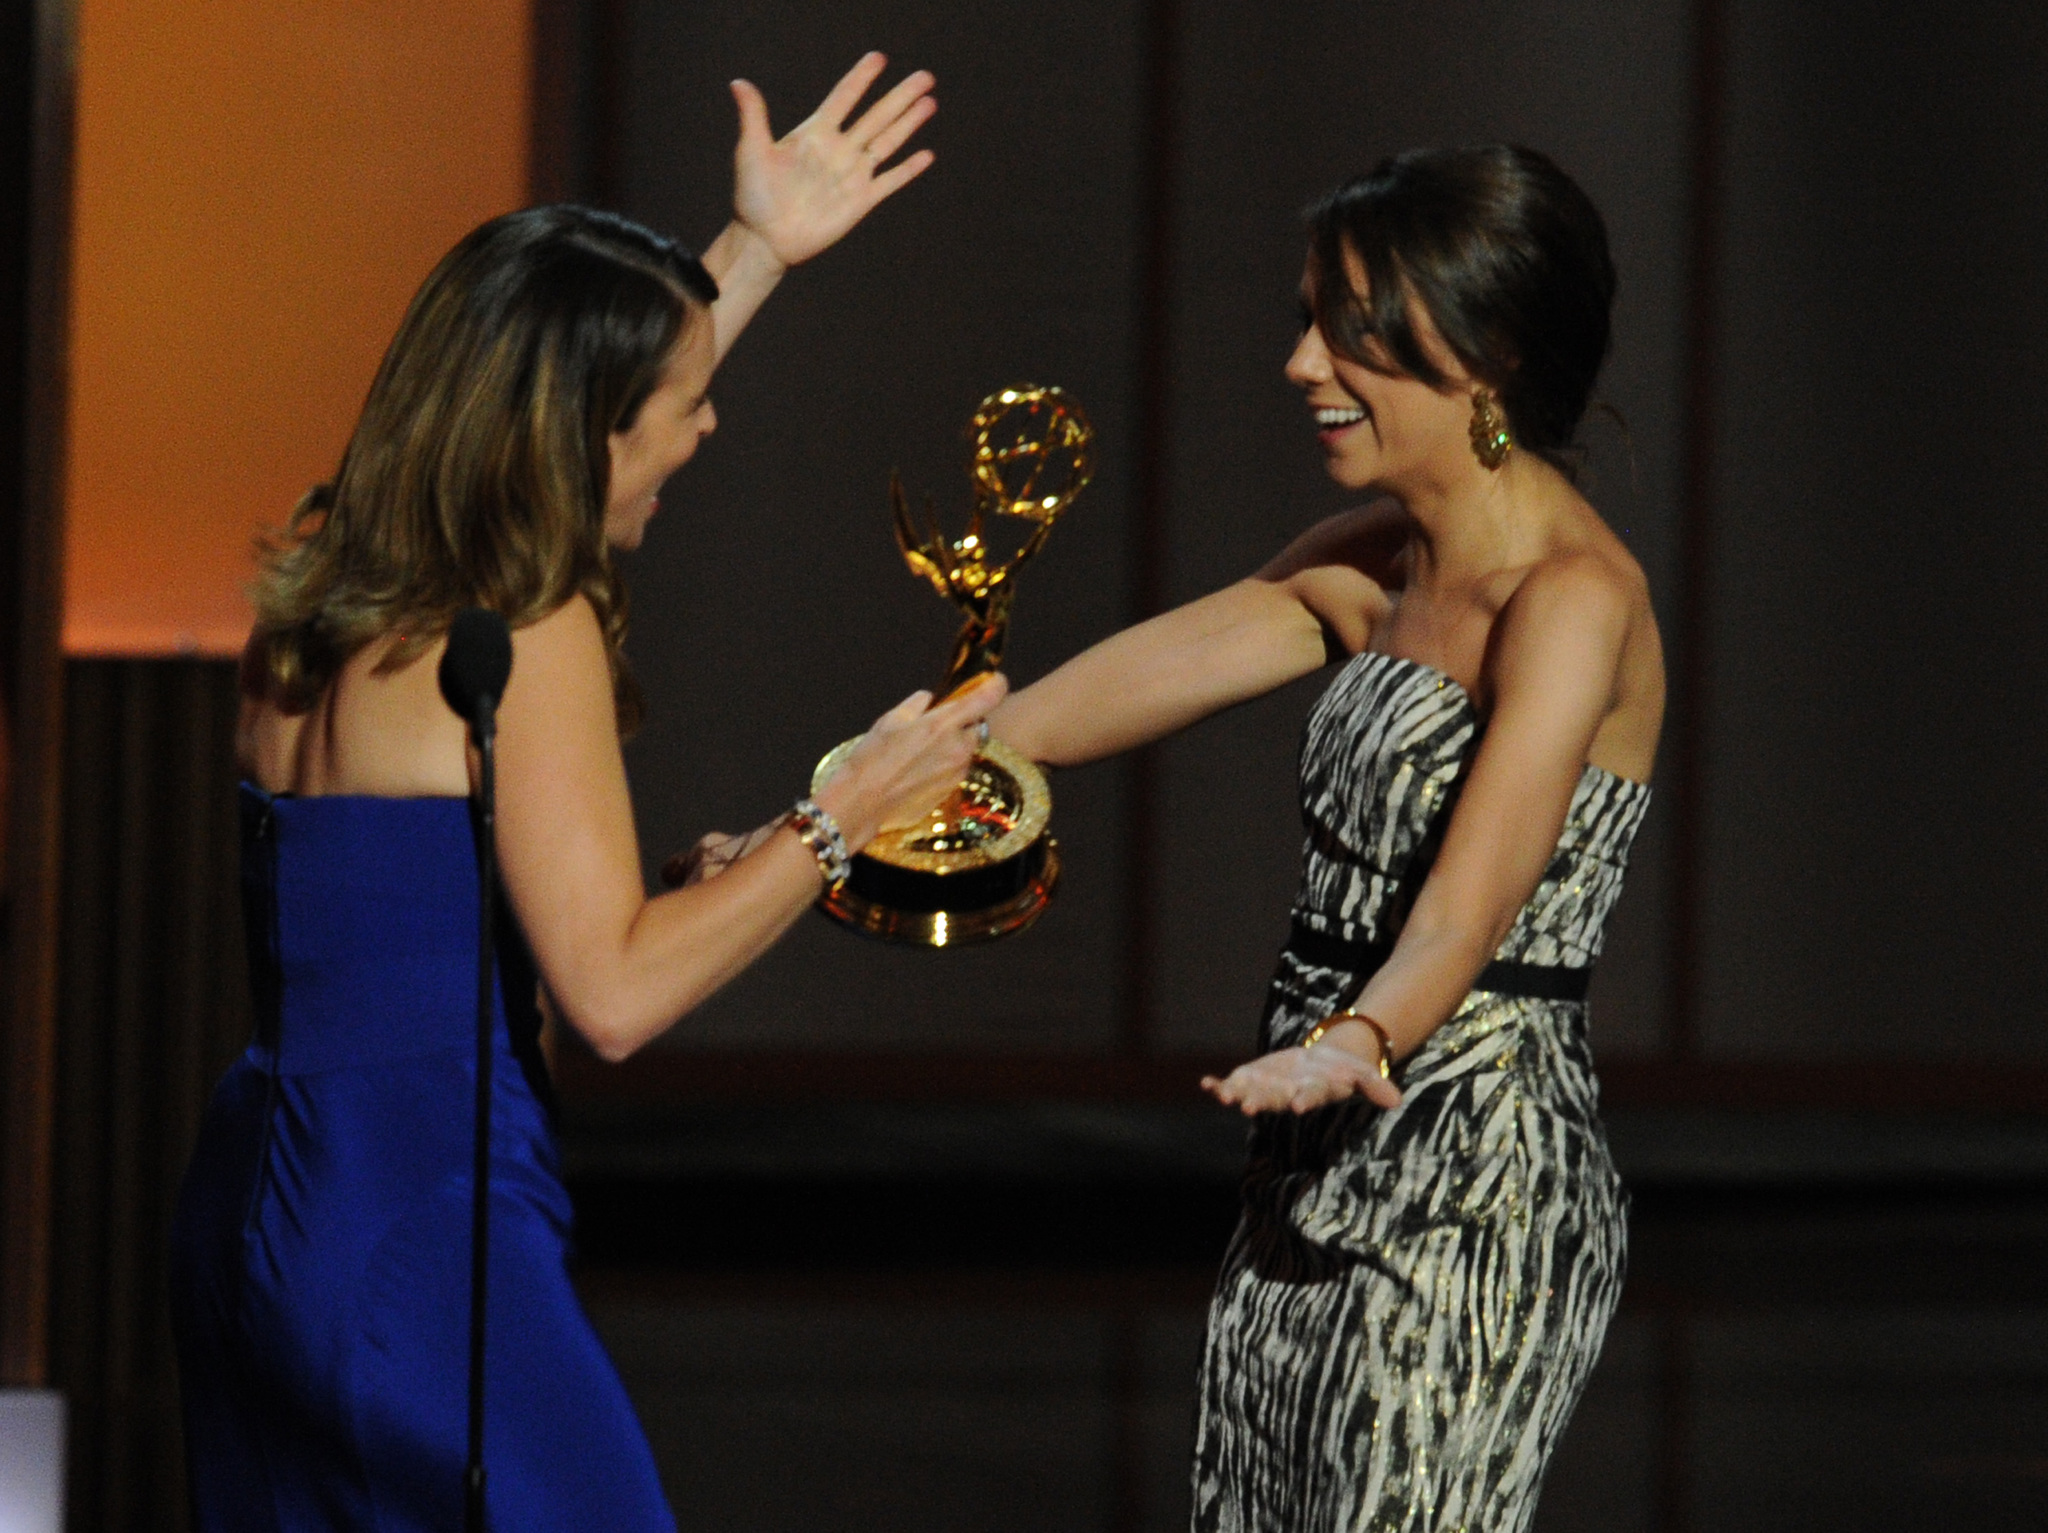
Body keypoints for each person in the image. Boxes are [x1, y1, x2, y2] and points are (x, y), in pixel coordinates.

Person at [169, 54, 1003, 1532]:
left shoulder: (322, 598)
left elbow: (411, 926)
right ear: (583, 431)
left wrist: (755, 250)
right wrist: (846, 814)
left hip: (261, 1206)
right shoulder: (522, 623)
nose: (706, 427)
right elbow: (613, 994)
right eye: (677, 406)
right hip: (427, 1221)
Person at [989, 145, 1663, 1532]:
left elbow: (1469, 905)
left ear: (1484, 358)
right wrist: (833, 814)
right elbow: (1078, 705)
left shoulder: (1576, 597)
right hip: (1306, 1171)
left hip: (1474, 1173)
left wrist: (1359, 1037)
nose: (1302, 362)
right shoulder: (1377, 560)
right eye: (1308, 319)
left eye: (1351, 333)